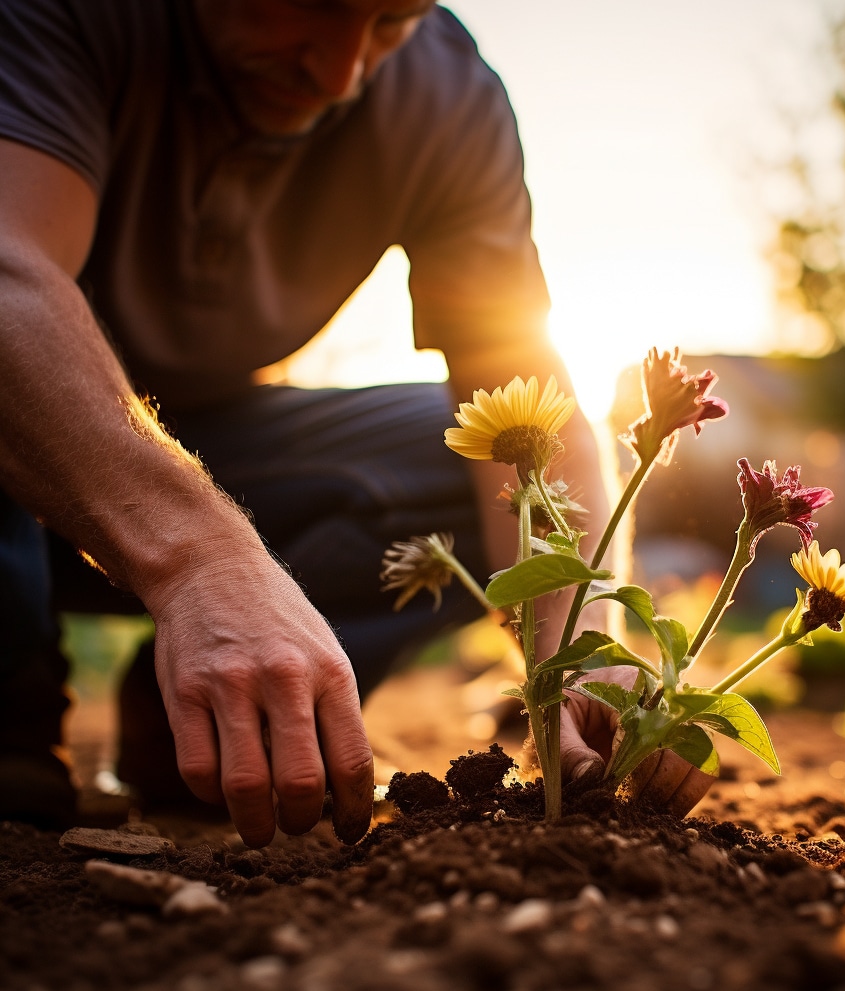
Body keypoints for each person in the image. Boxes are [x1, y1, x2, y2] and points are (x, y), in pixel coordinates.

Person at [0, 0, 712, 847]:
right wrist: (199, 561)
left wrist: (583, 653)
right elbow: (11, 273)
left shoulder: (444, 96)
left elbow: (527, 391)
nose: (340, 72)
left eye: (389, 19)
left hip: (221, 445)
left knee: (493, 457)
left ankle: (215, 722)